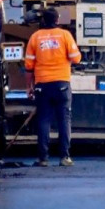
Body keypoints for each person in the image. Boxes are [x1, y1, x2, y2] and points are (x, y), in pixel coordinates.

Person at [25, 8, 82, 166]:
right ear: (57, 20)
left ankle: (43, 158)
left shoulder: (35, 37)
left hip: (42, 85)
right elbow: (76, 58)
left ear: (43, 20)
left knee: (43, 120)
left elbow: (29, 66)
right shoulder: (65, 35)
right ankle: (64, 157)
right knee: (64, 120)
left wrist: (28, 87)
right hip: (62, 84)